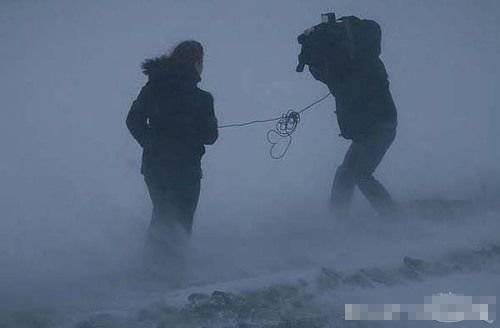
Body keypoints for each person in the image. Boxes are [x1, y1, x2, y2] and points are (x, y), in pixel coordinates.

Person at [126, 40, 218, 267]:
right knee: (181, 221)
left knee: (162, 215)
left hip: (154, 166)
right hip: (186, 168)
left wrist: (150, 143)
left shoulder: (153, 88)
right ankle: (171, 271)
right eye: (202, 61)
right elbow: (210, 136)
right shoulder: (202, 98)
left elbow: (133, 120)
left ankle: (151, 267)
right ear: (197, 63)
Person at [301, 15, 398, 218]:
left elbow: (340, 81)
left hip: (379, 127)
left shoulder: (361, 65)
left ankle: (395, 219)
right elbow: (331, 77)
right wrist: (314, 58)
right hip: (368, 130)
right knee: (345, 173)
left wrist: (318, 57)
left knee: (361, 174)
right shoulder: (353, 64)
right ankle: (338, 221)